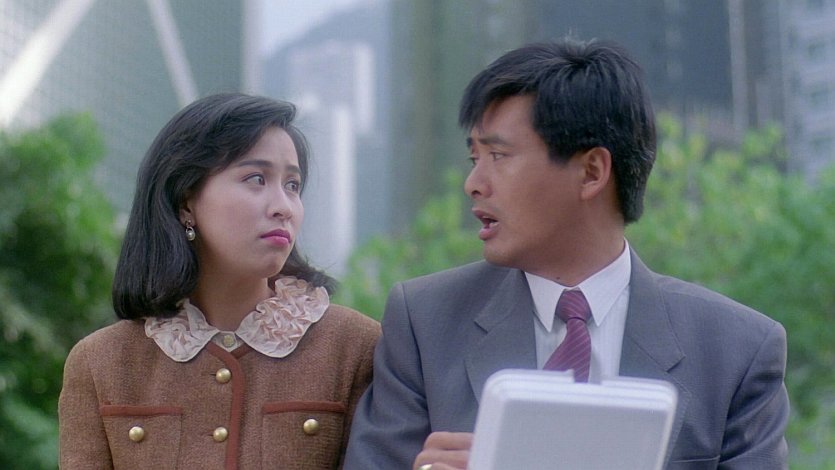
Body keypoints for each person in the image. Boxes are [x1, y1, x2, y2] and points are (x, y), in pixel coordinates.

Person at [344, 38, 789, 469]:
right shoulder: (424, 324)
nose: (473, 184)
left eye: (498, 155)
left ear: (592, 172)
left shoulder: (737, 351)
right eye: (474, 158)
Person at [59, 93, 380, 469]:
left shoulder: (355, 347)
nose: (283, 207)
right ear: (186, 201)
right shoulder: (101, 363)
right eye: (256, 179)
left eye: (292, 185)